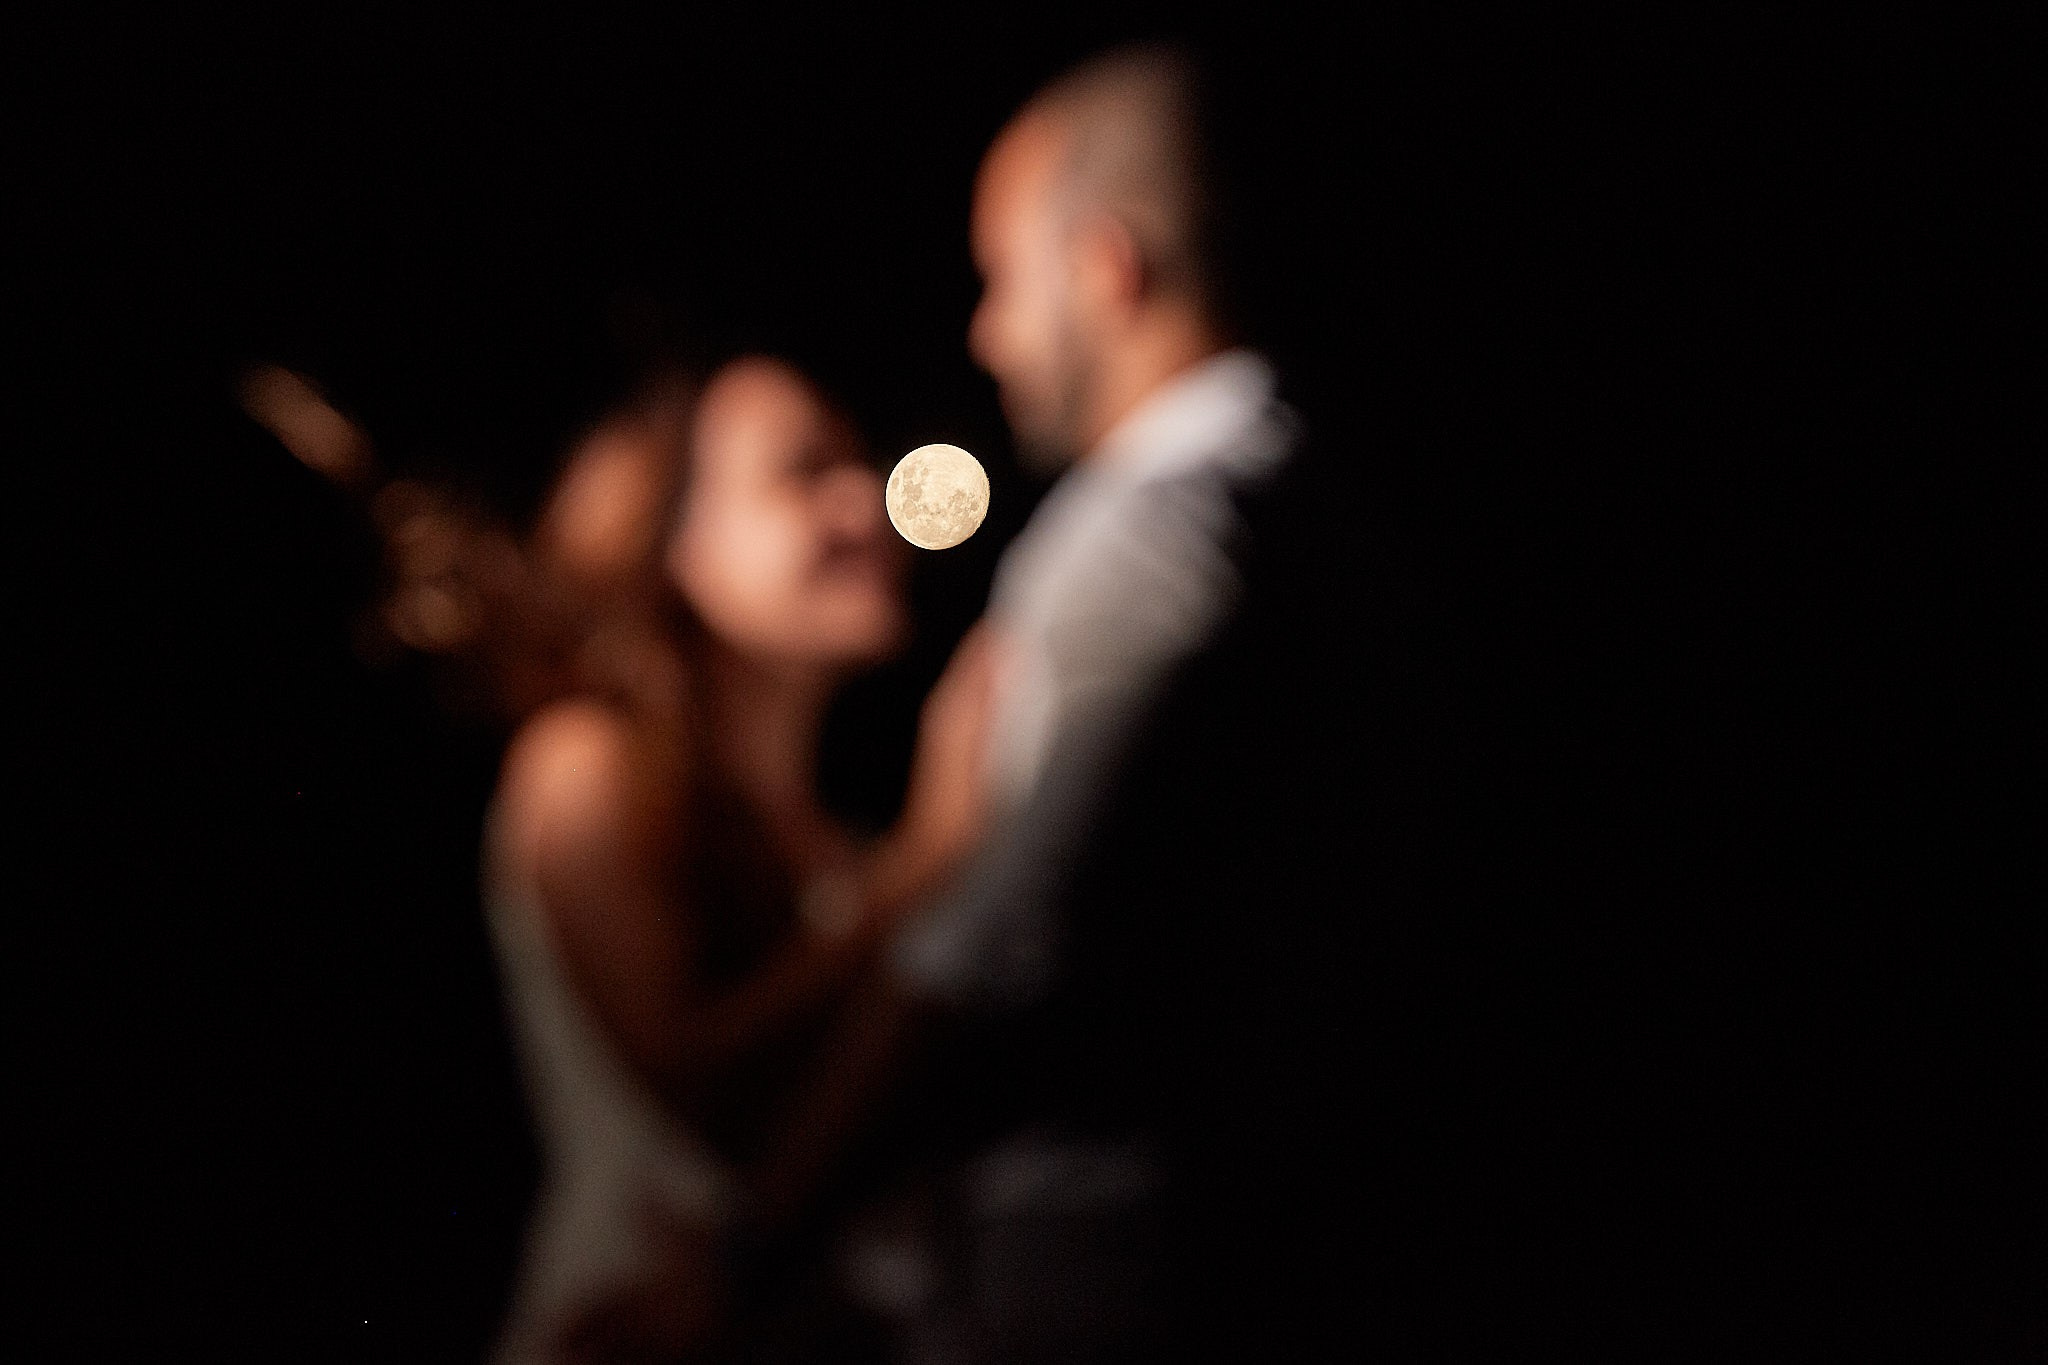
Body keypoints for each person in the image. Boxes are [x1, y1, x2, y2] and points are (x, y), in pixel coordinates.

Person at [741, 46, 1334, 1363]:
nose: (985, 333)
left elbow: (981, 960)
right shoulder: (1295, 494)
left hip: (1076, 1274)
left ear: (1105, 268)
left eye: (1003, 279)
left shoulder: (1147, 536)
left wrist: (752, 1252)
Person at [484, 356, 999, 1364]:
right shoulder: (583, 767)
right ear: (676, 542)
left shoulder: (836, 838)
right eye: (804, 473)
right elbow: (695, 1083)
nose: (868, 501)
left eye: (857, 463)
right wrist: (926, 865)